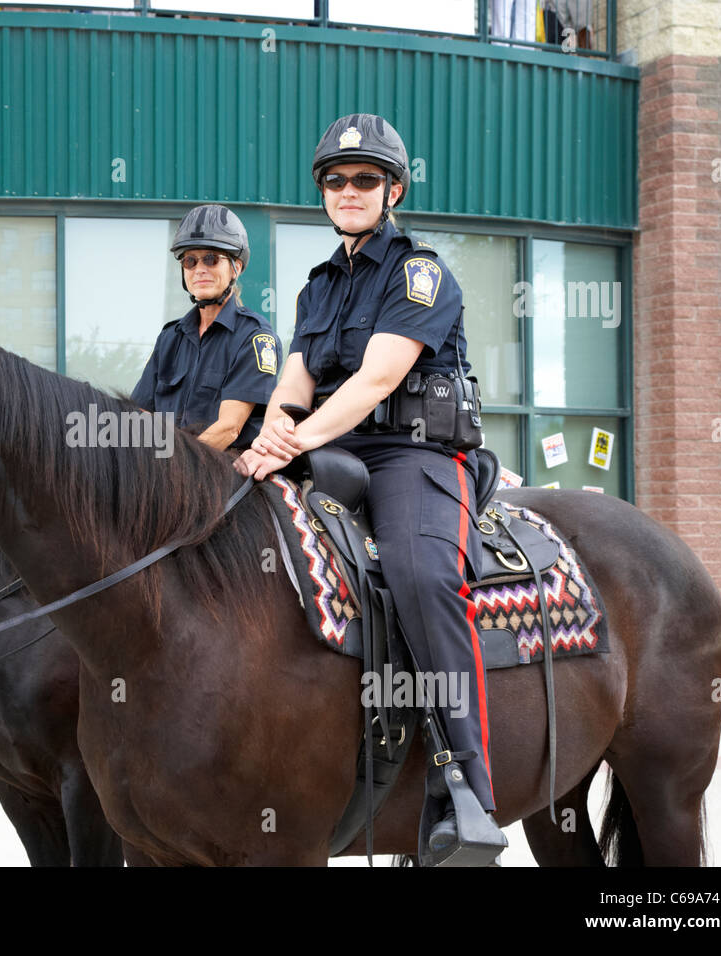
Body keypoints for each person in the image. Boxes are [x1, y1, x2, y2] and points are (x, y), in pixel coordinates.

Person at [233, 113, 505, 863]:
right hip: (332, 448)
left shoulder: (420, 272)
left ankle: (468, 790)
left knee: (420, 575)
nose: (348, 191)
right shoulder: (317, 289)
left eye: (364, 180)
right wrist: (265, 440)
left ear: (393, 188)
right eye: (335, 180)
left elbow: (377, 378)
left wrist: (295, 435)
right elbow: (294, 383)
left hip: (411, 456)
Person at [131, 205, 278, 452]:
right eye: (190, 260)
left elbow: (229, 428)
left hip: (226, 471)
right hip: (168, 469)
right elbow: (141, 416)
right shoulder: (169, 338)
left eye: (211, 259)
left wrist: (173, 467)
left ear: (236, 267)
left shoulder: (255, 337)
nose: (200, 269)